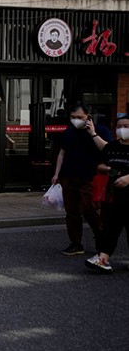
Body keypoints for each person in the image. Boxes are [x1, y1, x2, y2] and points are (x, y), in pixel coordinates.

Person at [51, 101, 110, 256]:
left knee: (89, 208)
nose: (75, 120)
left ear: (88, 117)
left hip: (91, 176)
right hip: (68, 175)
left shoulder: (101, 130)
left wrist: (93, 133)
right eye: (72, 117)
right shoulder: (68, 132)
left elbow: (107, 150)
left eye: (79, 117)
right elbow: (61, 154)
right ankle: (75, 244)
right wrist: (57, 174)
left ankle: (101, 238)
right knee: (71, 211)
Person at [85, 113, 129, 272]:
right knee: (110, 228)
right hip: (112, 196)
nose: (122, 130)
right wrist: (106, 168)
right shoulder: (113, 147)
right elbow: (102, 160)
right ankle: (103, 259)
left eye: (126, 127)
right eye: (119, 127)